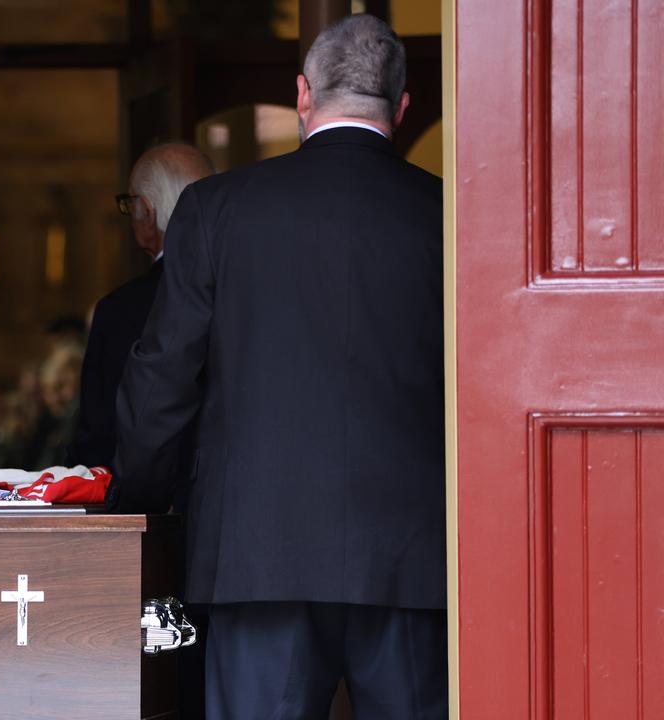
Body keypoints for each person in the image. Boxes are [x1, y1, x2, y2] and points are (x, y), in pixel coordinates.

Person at [110, 14, 446, 719]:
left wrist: (138, 497)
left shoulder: (215, 210)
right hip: (413, 557)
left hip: (258, 552)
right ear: (404, 107)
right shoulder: (447, 213)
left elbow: (164, 376)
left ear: (302, 96)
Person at [67, 142, 213, 479]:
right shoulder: (249, 289)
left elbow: (98, 443)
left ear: (146, 212)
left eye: (129, 204)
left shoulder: (120, 312)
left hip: (147, 509)